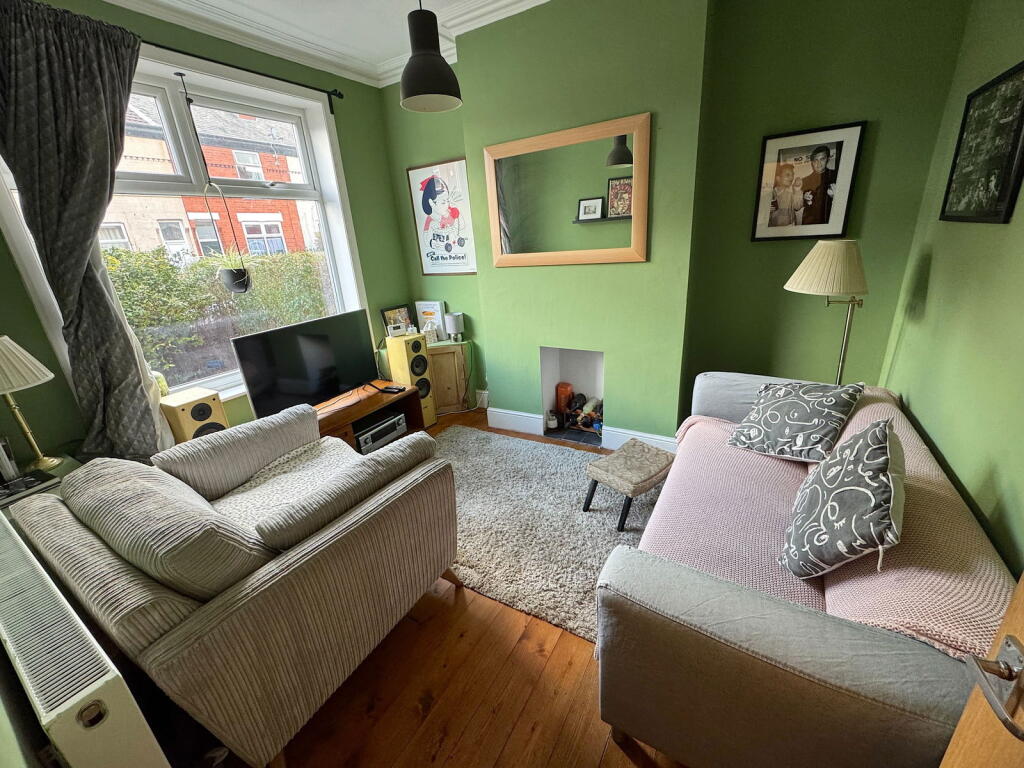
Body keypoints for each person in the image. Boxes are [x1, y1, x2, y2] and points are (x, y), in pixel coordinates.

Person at [801, 145, 837, 225]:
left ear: (828, 159)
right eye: (815, 160)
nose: (818, 163)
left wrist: (836, 197)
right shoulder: (804, 181)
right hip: (810, 224)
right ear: (812, 162)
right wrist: (805, 199)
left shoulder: (836, 175)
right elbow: (797, 206)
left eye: (822, 159)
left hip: (831, 222)